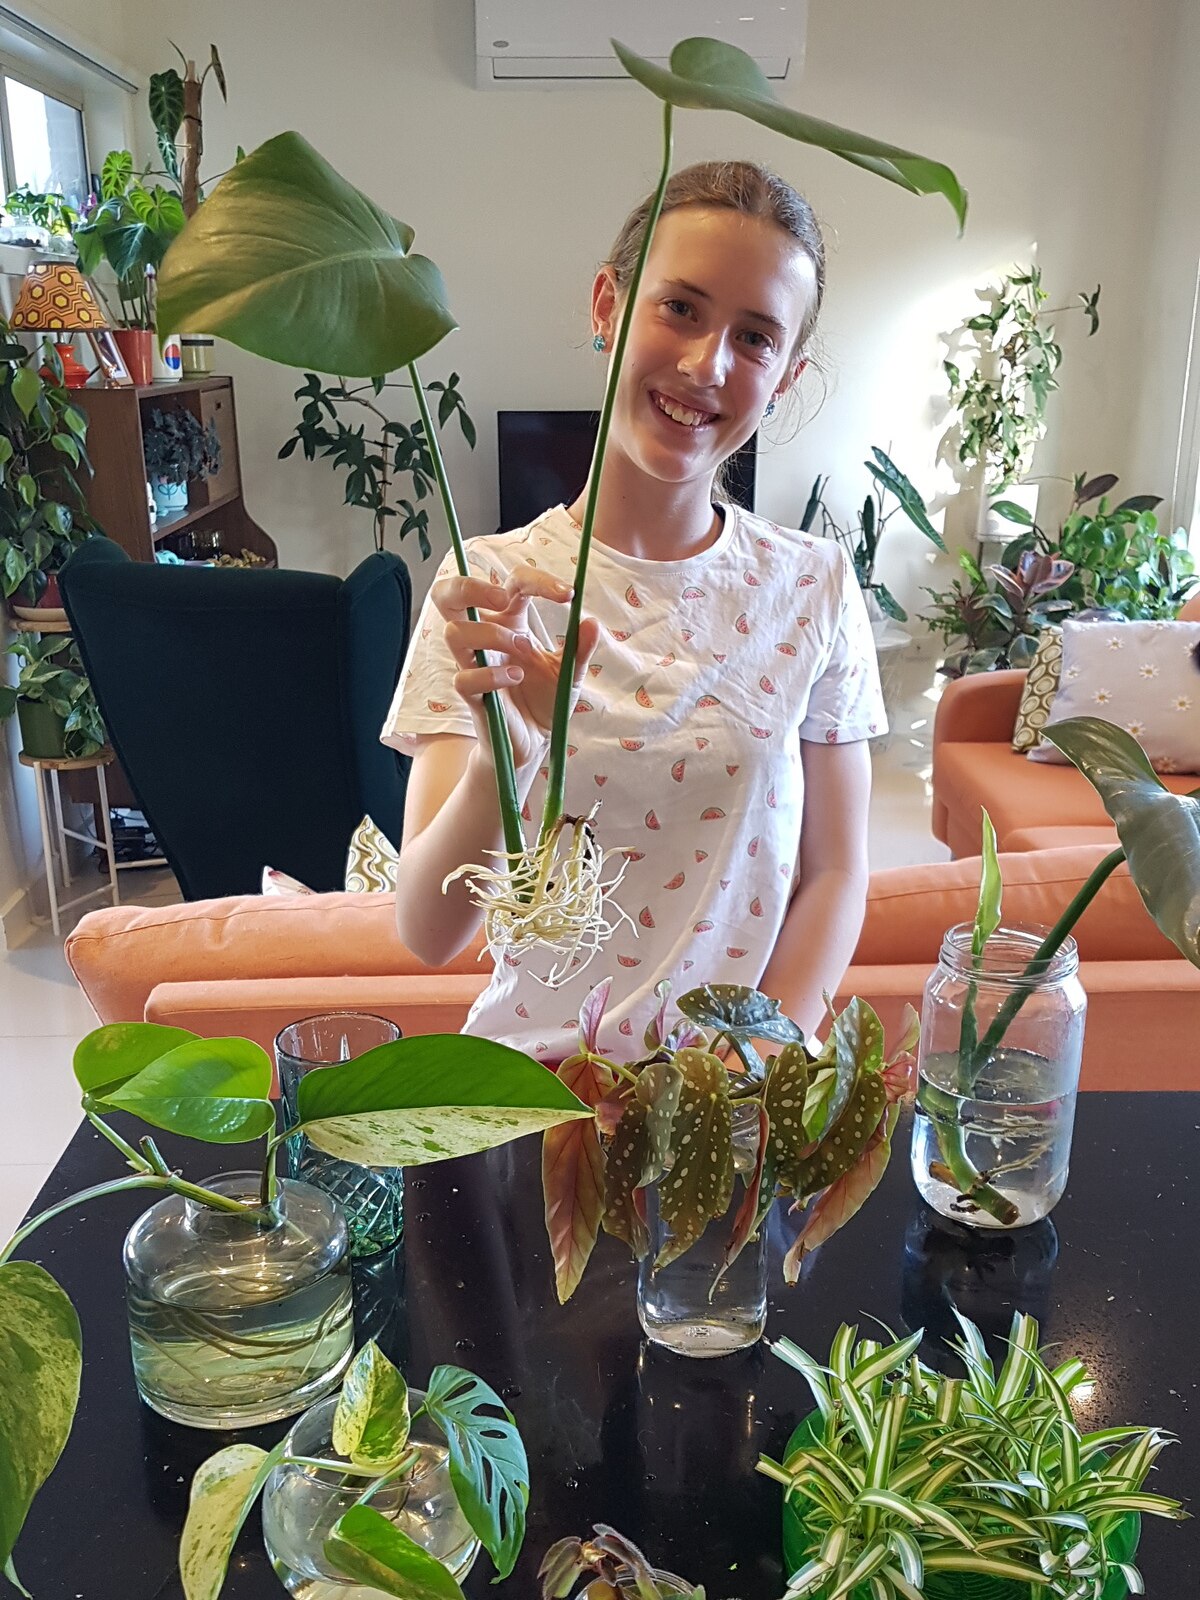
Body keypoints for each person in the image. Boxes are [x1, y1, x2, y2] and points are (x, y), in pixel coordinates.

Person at [383, 160, 885, 1063]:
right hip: (528, 1103)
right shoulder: (489, 586)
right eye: (680, 308)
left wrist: (751, 1065)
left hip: (727, 1108)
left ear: (787, 373)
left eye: (756, 337)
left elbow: (837, 871)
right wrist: (515, 756)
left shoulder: (814, 586)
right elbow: (428, 930)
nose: (706, 365)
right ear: (609, 304)